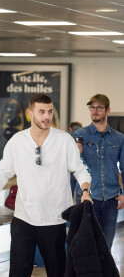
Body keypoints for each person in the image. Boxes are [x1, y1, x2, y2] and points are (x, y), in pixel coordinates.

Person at [0, 93, 92, 277]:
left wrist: (85, 190)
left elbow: (80, 170)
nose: (47, 116)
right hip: (23, 219)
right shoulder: (17, 141)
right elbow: (3, 171)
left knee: (58, 272)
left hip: (55, 219)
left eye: (50, 111)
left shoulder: (64, 140)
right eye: (41, 112)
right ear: (30, 114)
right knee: (18, 272)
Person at [73, 94, 124, 250]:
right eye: (92, 107)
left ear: (107, 111)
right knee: (87, 246)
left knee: (106, 246)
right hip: (88, 198)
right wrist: (77, 154)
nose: (95, 111)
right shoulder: (79, 136)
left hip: (111, 199)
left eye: (99, 107)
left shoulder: (119, 138)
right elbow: (72, 167)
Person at [67, 121, 83, 196]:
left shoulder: (66, 136)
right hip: (80, 167)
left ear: (70, 128)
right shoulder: (83, 136)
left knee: (69, 192)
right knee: (80, 192)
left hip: (69, 168)